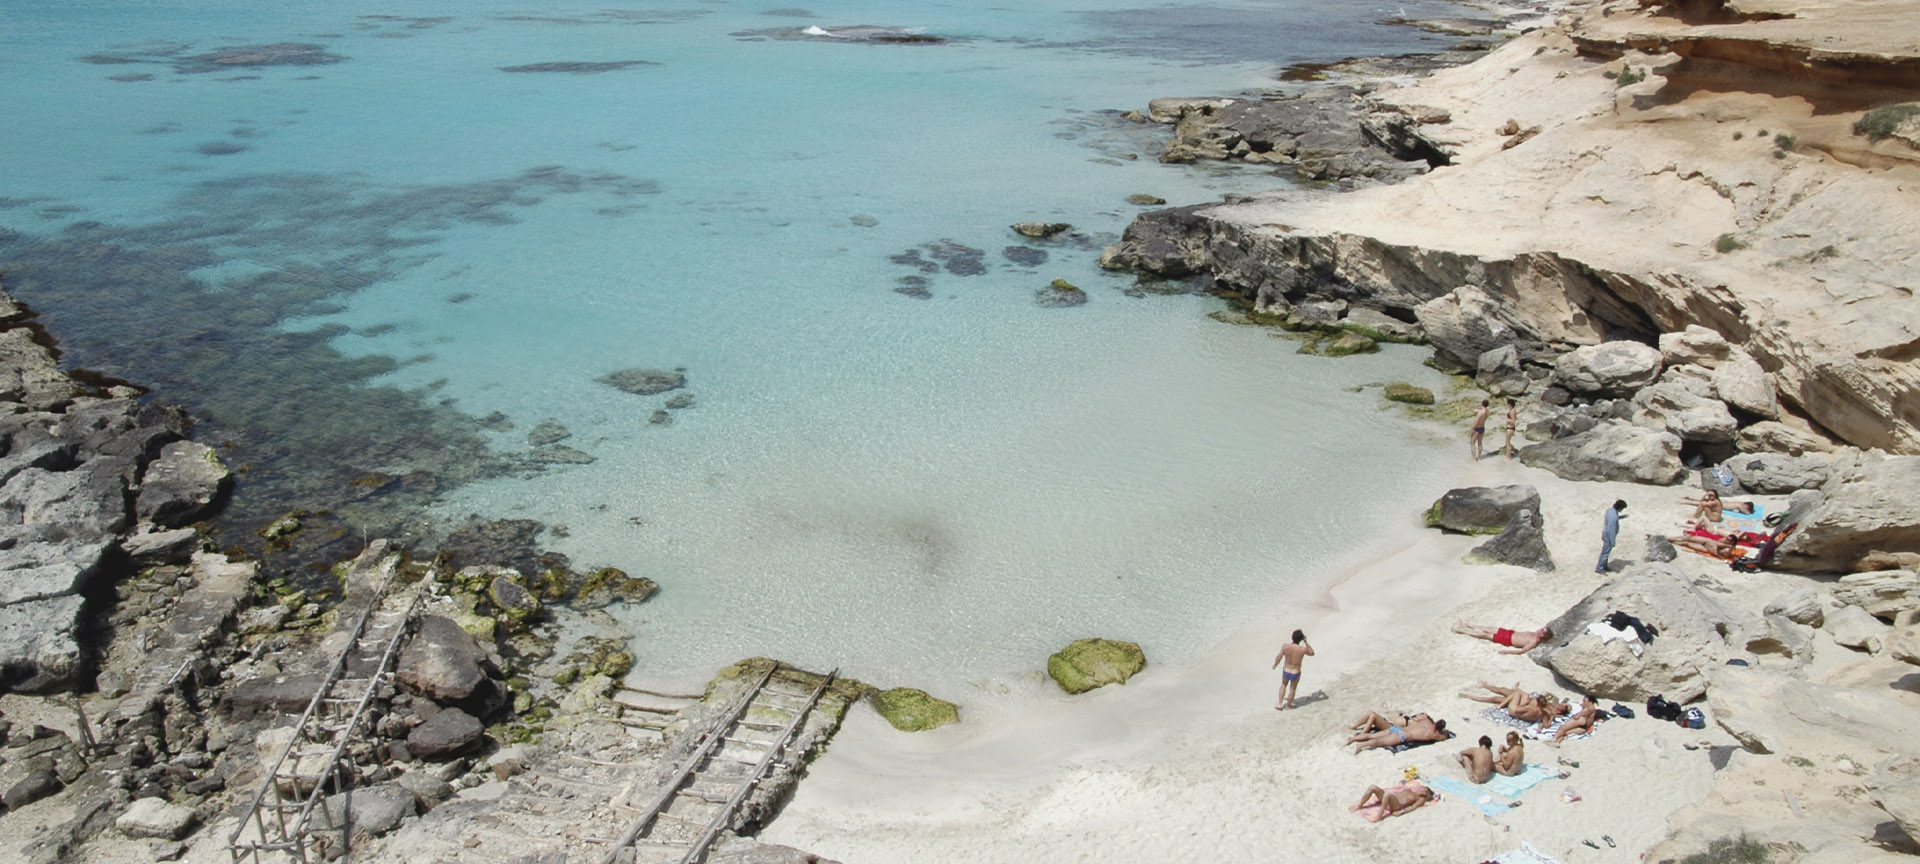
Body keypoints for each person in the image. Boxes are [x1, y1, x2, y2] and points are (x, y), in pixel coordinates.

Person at [1460, 682, 1570, 725]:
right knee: (1504, 690)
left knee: (1498, 698)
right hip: (1523, 704)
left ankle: (1499, 704)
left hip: (1517, 709)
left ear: (1560, 711)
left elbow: (1520, 710)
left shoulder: (1548, 711)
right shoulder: (1548, 707)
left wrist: (1524, 701)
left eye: (1562, 706)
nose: (1560, 704)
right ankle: (1486, 686)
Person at [1350, 713, 1448, 753]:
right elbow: (1444, 736)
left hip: (1397, 728)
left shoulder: (1426, 721)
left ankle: (1352, 739)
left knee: (1372, 735)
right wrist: (1444, 733)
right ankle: (1360, 746)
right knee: (1378, 742)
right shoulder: (1433, 734)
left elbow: (1422, 716)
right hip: (1402, 736)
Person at [1272, 629, 1314, 710]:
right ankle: (1288, 705)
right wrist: (1306, 642)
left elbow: (1278, 657)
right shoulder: (1302, 649)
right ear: (1301, 639)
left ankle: (1280, 704)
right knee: (1292, 689)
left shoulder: (1285, 646)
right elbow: (1312, 653)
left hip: (1286, 670)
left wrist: (1275, 665)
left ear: (1292, 637)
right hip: (1295, 672)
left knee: (1283, 685)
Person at [1351, 782, 1438, 819]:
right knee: (1373, 787)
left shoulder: (1420, 799)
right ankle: (1359, 805)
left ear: (1425, 792)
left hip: (1396, 805)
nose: (1419, 787)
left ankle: (1379, 816)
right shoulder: (1412, 790)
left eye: (1422, 788)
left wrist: (1402, 811)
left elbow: (1413, 807)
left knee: (1388, 794)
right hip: (1390, 799)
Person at [1453, 622, 1553, 654]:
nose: (1541, 629)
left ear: (1542, 635)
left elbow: (1522, 651)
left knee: (1486, 635)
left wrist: (1507, 651)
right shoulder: (1535, 633)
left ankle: (1463, 631)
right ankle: (1469, 625)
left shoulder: (1534, 641)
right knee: (1489, 629)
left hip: (1508, 640)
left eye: (1542, 630)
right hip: (1510, 633)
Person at [1597, 499, 1627, 573]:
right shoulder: (1613, 516)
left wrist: (1621, 517)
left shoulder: (1610, 510)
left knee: (1606, 552)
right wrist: (1613, 541)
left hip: (1605, 533)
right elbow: (1611, 530)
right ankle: (1599, 568)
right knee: (1605, 552)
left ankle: (1604, 566)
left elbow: (1612, 518)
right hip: (1608, 535)